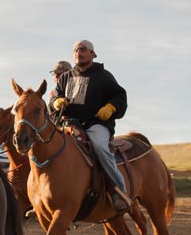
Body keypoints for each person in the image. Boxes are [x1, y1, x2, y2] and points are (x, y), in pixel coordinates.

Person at [50, 40, 131, 212]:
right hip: (69, 124)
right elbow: (53, 97)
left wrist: (111, 107)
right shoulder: (66, 77)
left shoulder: (104, 76)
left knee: (99, 147)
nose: (79, 52)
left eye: (83, 49)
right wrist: (56, 102)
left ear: (93, 54)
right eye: (76, 50)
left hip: (96, 124)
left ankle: (119, 191)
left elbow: (120, 96)